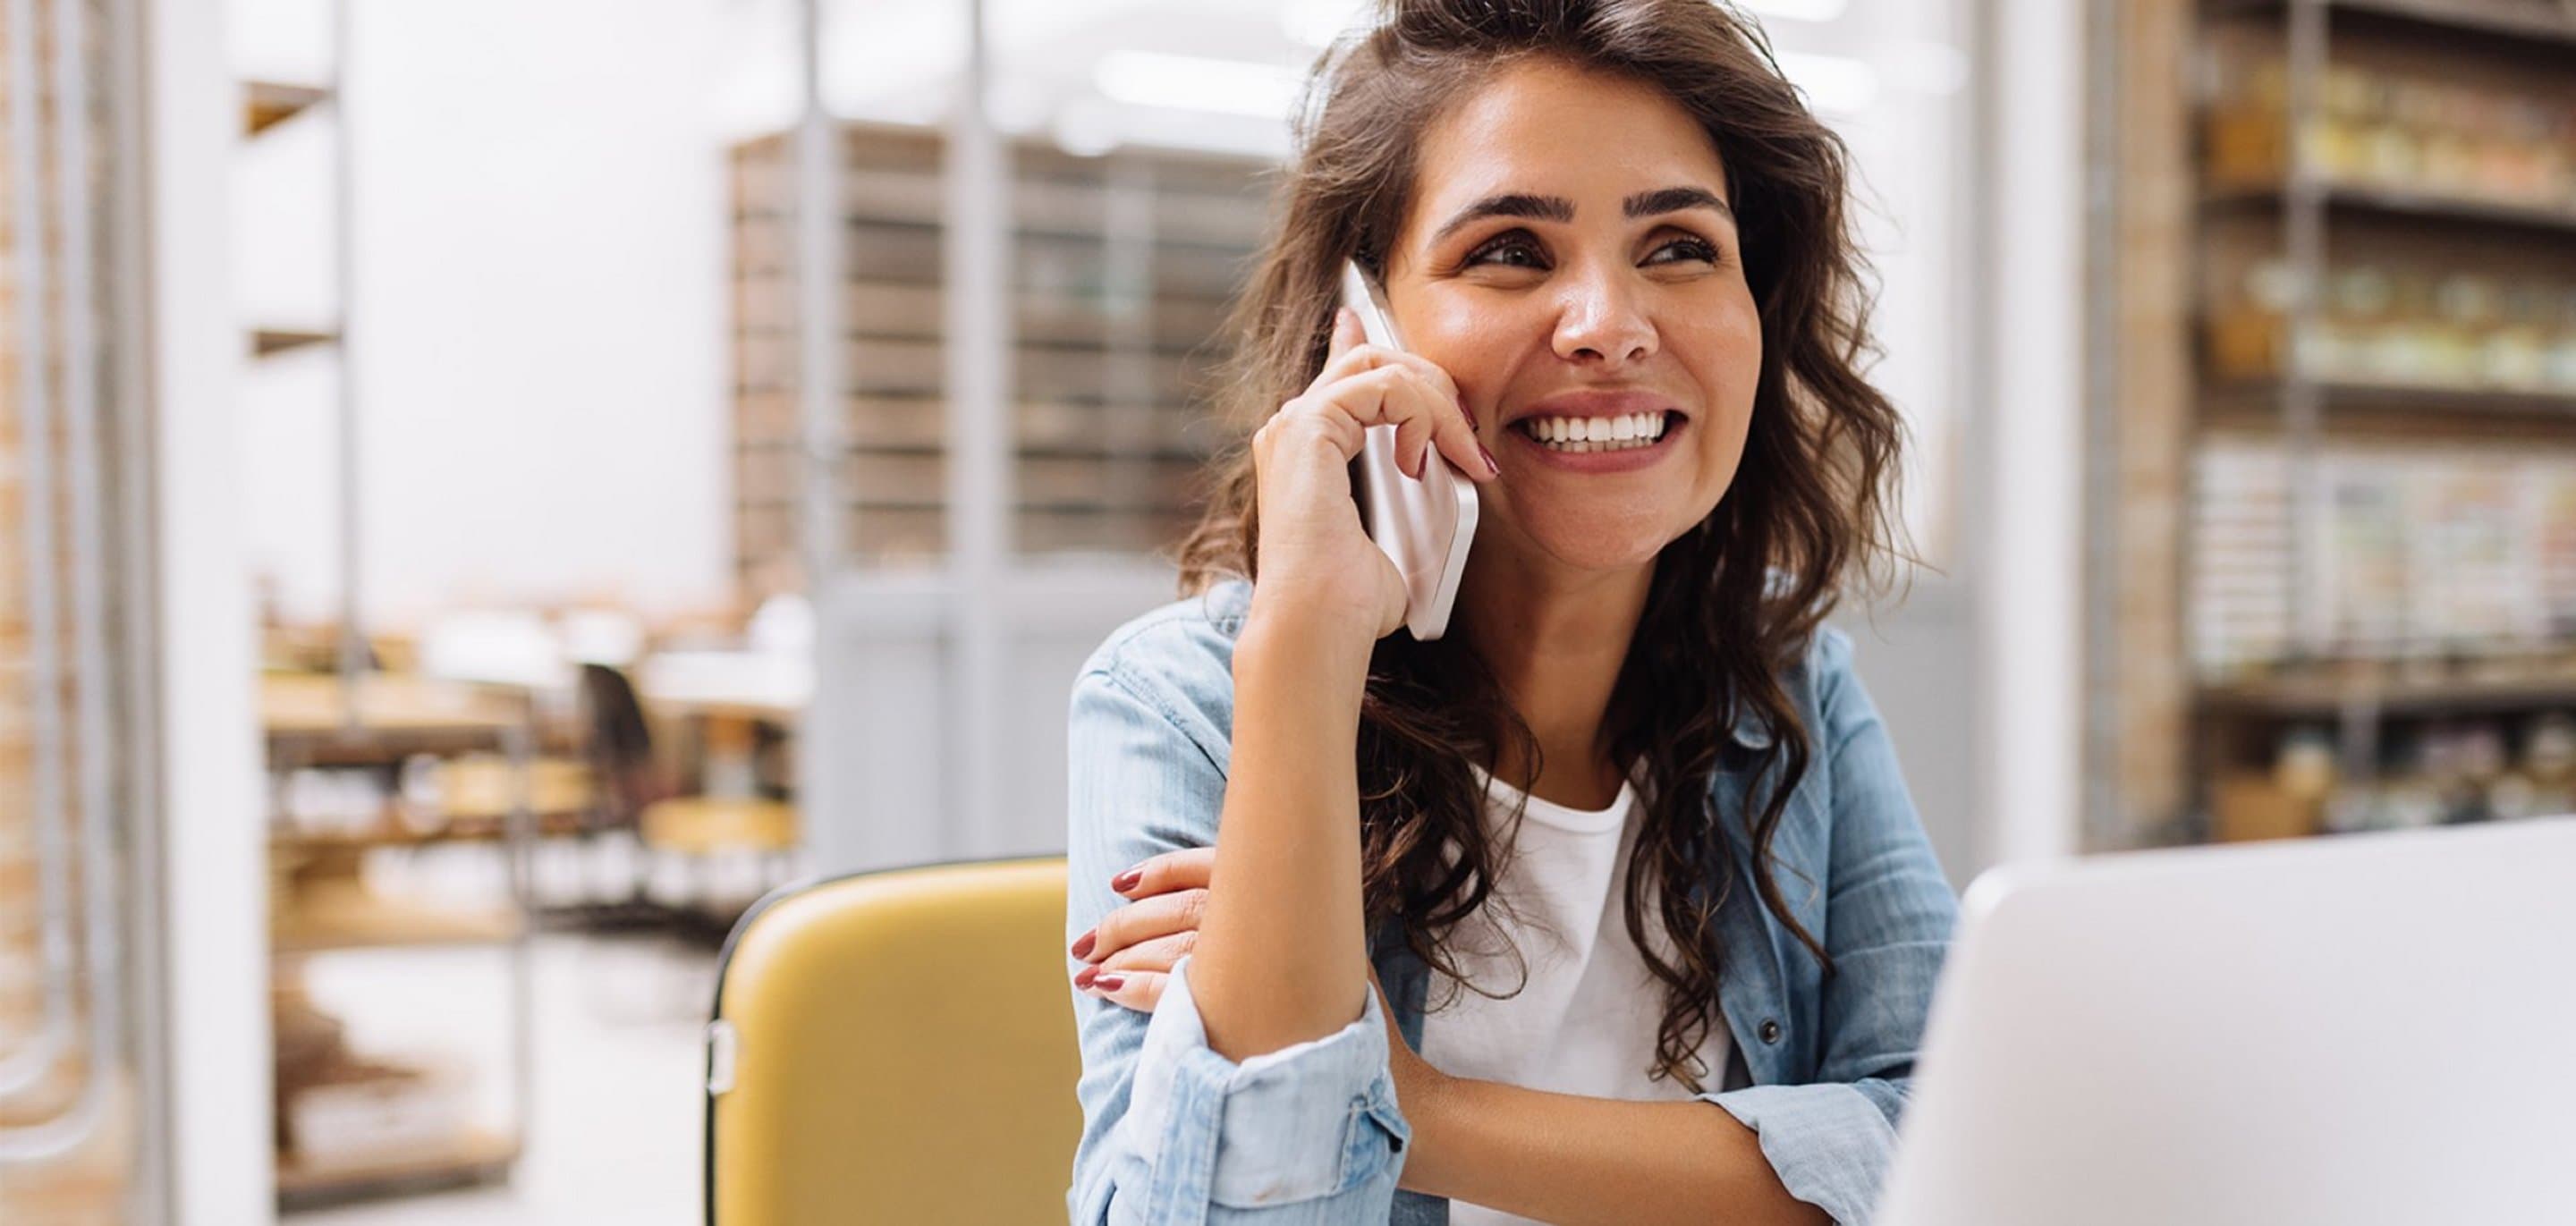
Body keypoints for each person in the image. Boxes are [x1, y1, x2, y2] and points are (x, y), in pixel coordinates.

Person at [1063, 2, 1956, 1222]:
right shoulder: (1189, 700)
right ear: (1364, 335)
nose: (1610, 325)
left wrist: (1409, 1108)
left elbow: (1953, 1143)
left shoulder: (1789, 681)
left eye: (1681, 248)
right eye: (1511, 252)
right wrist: (1304, 650)